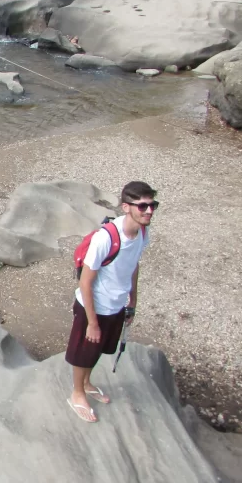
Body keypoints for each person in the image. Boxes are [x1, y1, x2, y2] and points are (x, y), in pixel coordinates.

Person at [66, 181, 158, 423]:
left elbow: (134, 264)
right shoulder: (106, 238)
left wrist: (132, 301)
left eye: (152, 205)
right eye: (143, 206)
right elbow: (85, 282)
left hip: (116, 305)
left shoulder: (142, 232)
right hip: (93, 307)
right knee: (83, 353)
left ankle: (86, 383)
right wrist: (92, 323)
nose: (149, 211)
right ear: (126, 207)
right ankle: (76, 393)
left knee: (99, 350)